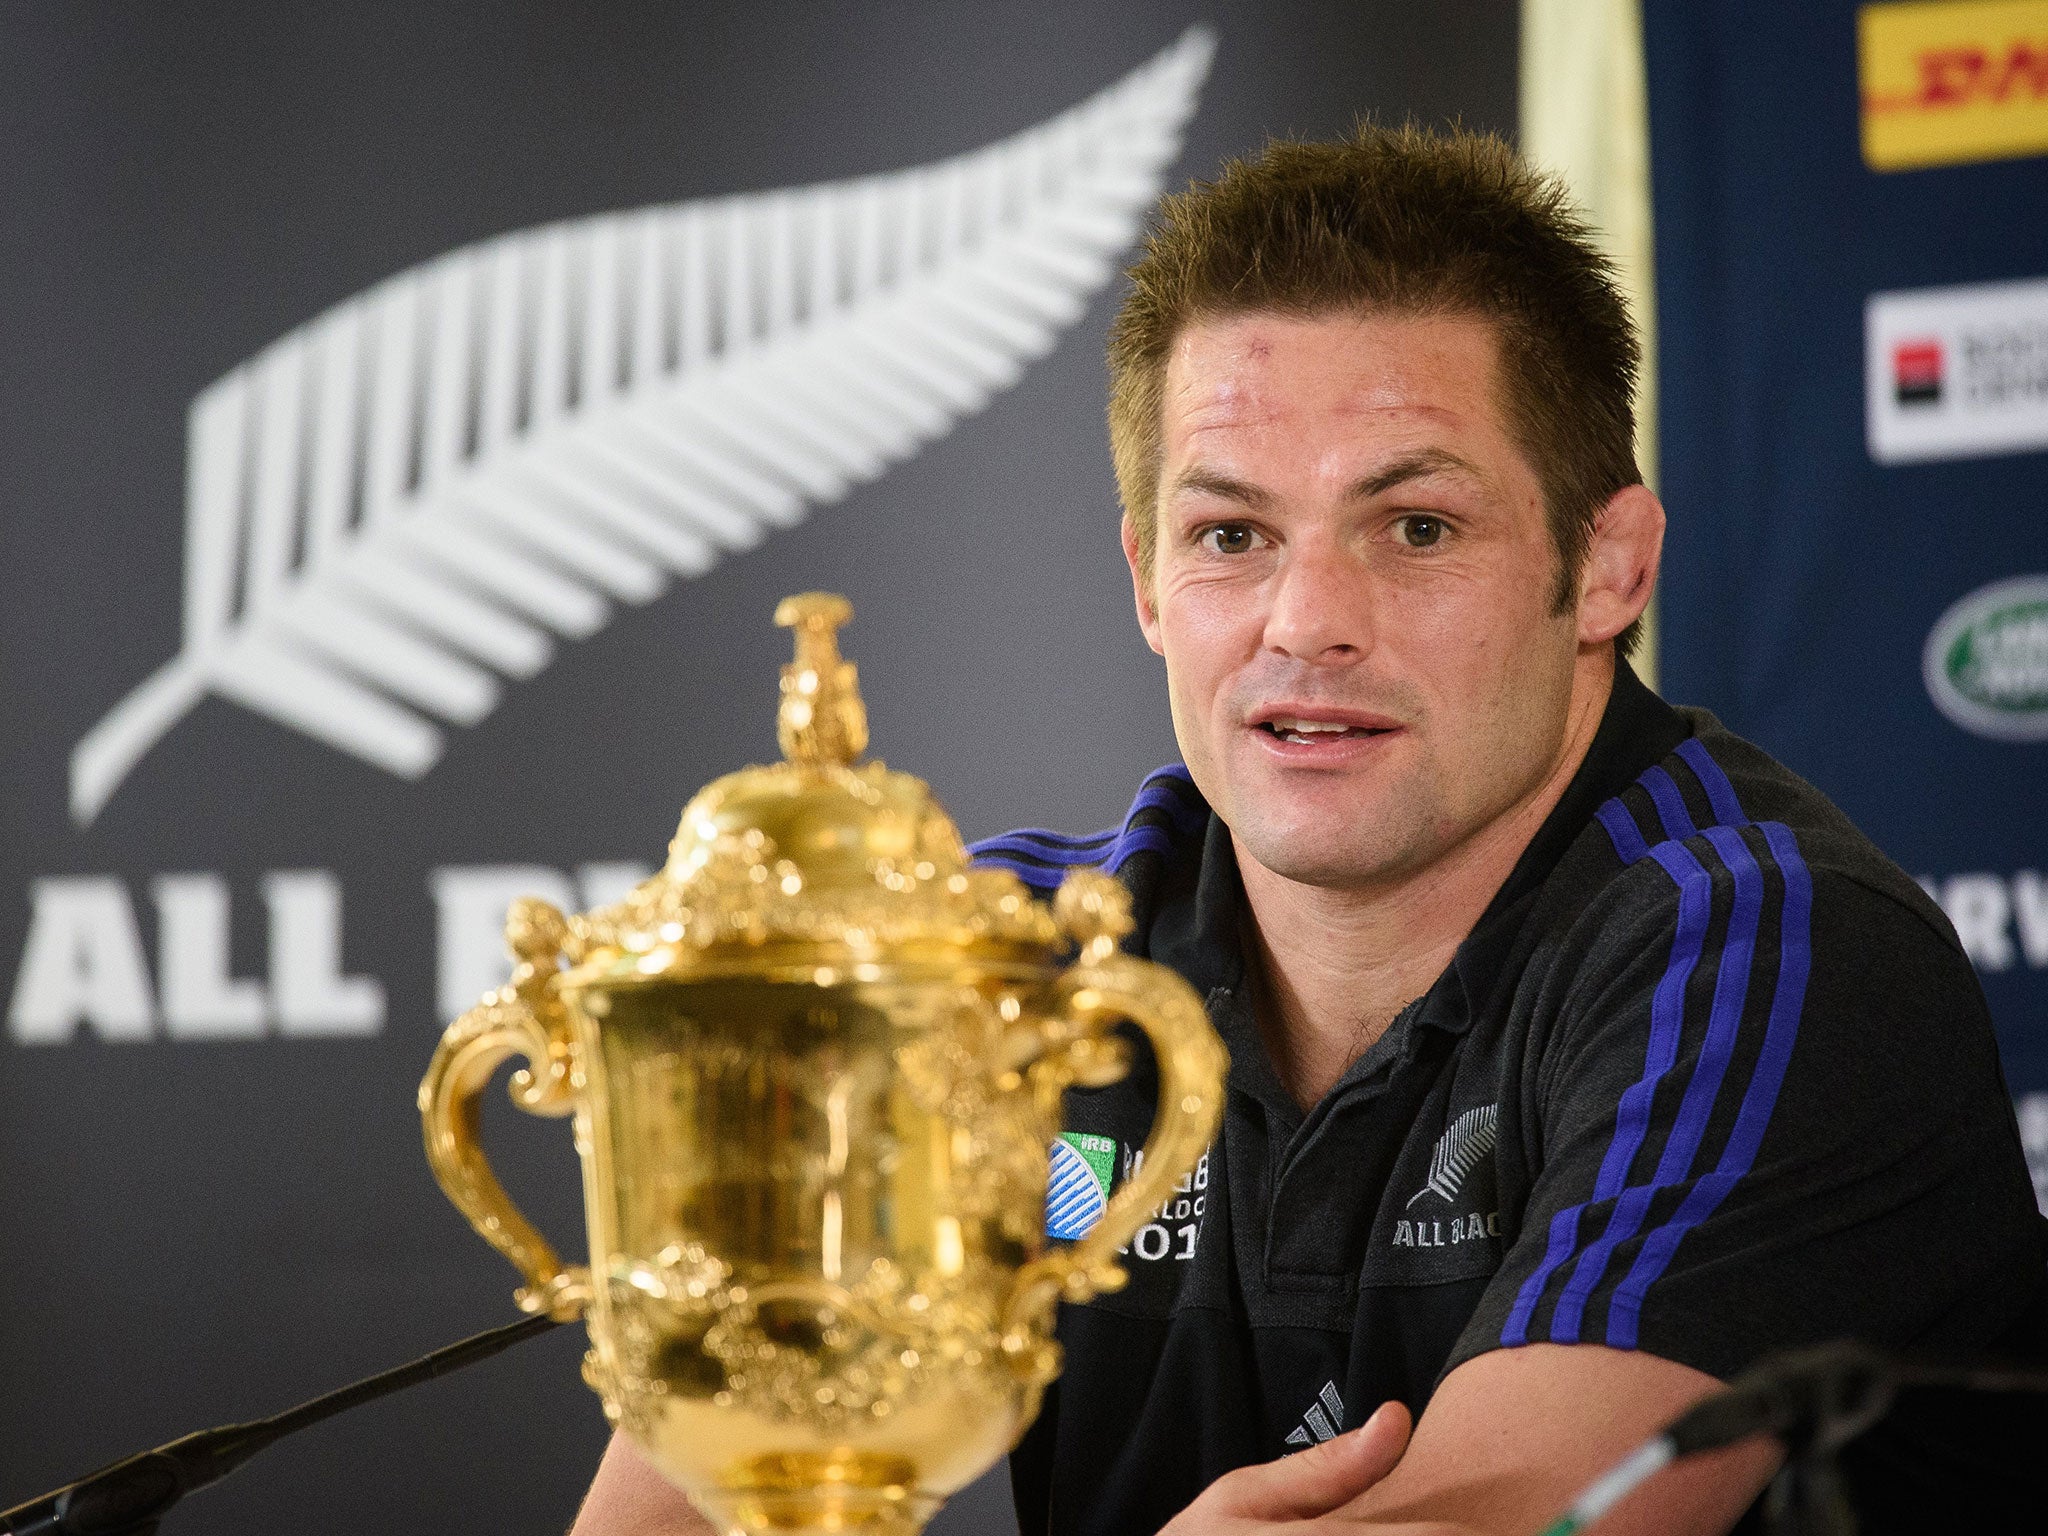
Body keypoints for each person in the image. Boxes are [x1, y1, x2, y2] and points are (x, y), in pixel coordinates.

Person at [570, 125, 2047, 1536]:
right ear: (1148, 580)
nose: (1307, 624)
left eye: (1415, 528)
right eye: (1232, 536)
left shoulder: (1772, 949)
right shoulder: (989, 960)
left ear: (1608, 568)